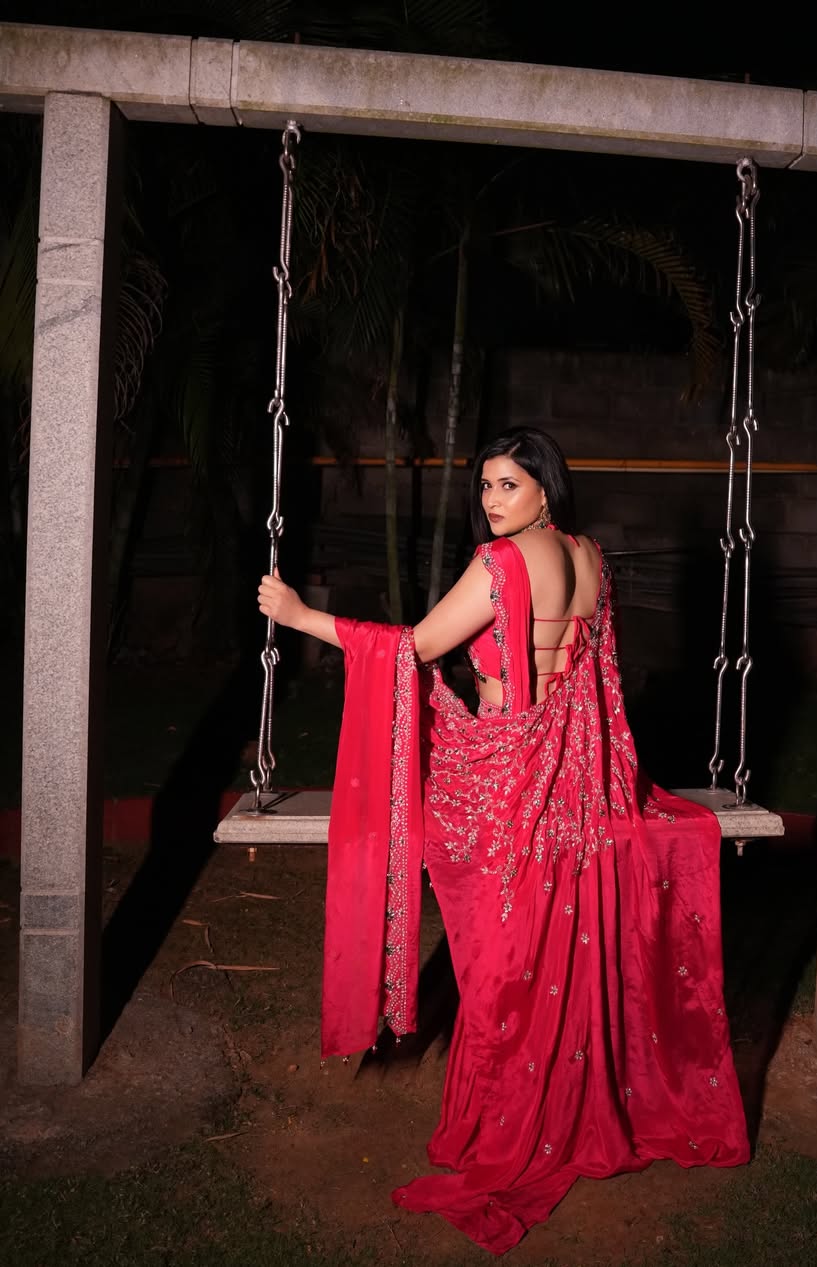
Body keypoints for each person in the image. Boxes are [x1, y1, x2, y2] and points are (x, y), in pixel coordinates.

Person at [258, 427, 749, 1255]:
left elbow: (412, 647)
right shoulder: (592, 557)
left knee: (492, 952)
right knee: (522, 952)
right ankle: (550, 1098)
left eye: (508, 485)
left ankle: (507, 1118)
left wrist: (303, 616)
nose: (491, 501)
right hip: (572, 784)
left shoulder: (503, 565)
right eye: (485, 485)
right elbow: (595, 681)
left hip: (506, 782)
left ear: (544, 492)